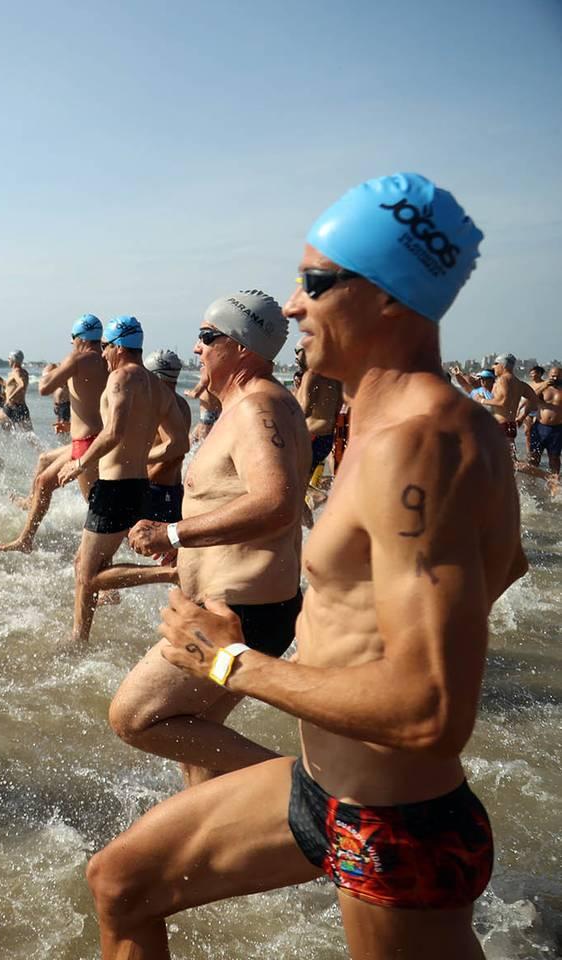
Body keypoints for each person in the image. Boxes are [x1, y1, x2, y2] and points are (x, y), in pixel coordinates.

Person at [88, 173, 518, 960]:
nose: (292, 308)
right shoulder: (407, 421)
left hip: (393, 823)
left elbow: (430, 713)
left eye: (314, 284)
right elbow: (508, 562)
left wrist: (227, 662)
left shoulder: (418, 441)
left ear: (388, 296)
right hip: (321, 784)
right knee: (121, 884)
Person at [109, 294, 308, 788]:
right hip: (245, 608)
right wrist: (192, 544)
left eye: (205, 337)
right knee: (195, 736)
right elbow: (254, 501)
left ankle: (304, 786)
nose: (196, 350)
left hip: (239, 613)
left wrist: (173, 531)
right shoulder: (253, 405)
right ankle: (208, 844)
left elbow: (277, 503)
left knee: (136, 718)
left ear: (240, 346)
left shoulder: (257, 408)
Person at [59, 317, 186, 644]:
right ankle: (80, 636)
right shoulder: (157, 386)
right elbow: (179, 443)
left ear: (117, 346)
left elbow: (113, 432)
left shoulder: (119, 379)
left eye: (105, 348)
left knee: (88, 575)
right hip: (140, 486)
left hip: (114, 488)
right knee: (84, 566)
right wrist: (143, 457)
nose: (102, 355)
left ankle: (171, 573)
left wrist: (80, 462)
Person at [85, 349, 192, 596]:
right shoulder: (180, 404)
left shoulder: (160, 401)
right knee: (164, 552)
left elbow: (174, 452)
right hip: (172, 491)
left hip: (155, 487)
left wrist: (139, 461)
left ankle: (107, 590)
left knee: (101, 546)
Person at [0, 316, 108, 553]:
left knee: (95, 508)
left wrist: (51, 370)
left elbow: (44, 388)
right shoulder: (109, 358)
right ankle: (30, 503)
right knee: (44, 459)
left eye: (72, 341)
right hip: (99, 438)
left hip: (86, 444)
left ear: (79, 338)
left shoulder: (77, 358)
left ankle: (27, 540)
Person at [295, 345, 342, 487]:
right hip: (326, 439)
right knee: (304, 484)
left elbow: (303, 410)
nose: (296, 357)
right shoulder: (336, 377)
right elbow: (338, 406)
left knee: (296, 484)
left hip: (311, 436)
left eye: (298, 352)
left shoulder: (311, 375)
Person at [474, 352, 538, 450]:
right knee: (509, 459)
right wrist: (522, 416)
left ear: (502, 365)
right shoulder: (519, 383)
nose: (493, 366)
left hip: (500, 425)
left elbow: (503, 402)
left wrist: (481, 400)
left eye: (495, 363)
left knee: (497, 459)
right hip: (510, 425)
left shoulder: (502, 380)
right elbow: (534, 400)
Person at [2, 351, 33, 431]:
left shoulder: (16, 372)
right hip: (22, 407)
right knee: (30, 436)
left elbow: (21, 384)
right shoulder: (24, 372)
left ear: (13, 359)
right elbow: (11, 386)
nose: (8, 360)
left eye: (9, 359)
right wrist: (1, 382)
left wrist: (11, 397)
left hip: (12, 406)